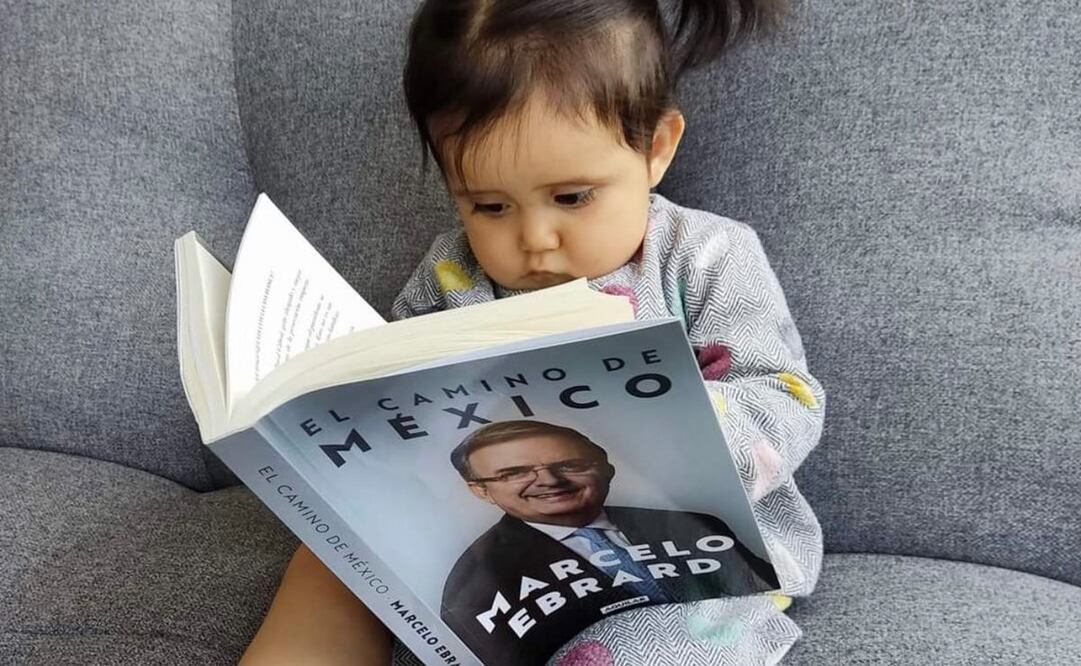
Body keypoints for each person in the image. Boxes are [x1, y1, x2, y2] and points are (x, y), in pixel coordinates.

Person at [241, 1, 826, 664]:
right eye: (489, 206)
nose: (536, 239)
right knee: (332, 561)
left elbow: (784, 394)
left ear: (656, 148)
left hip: (681, 555)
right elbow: (400, 397)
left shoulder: (706, 256)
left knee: (633, 644)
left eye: (572, 197)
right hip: (495, 543)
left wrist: (692, 425)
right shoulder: (451, 273)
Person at [442, 419, 779, 665]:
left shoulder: (693, 524)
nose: (549, 480)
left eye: (571, 465)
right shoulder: (473, 580)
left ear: (606, 468)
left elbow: (762, 592)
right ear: (480, 490)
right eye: (514, 473)